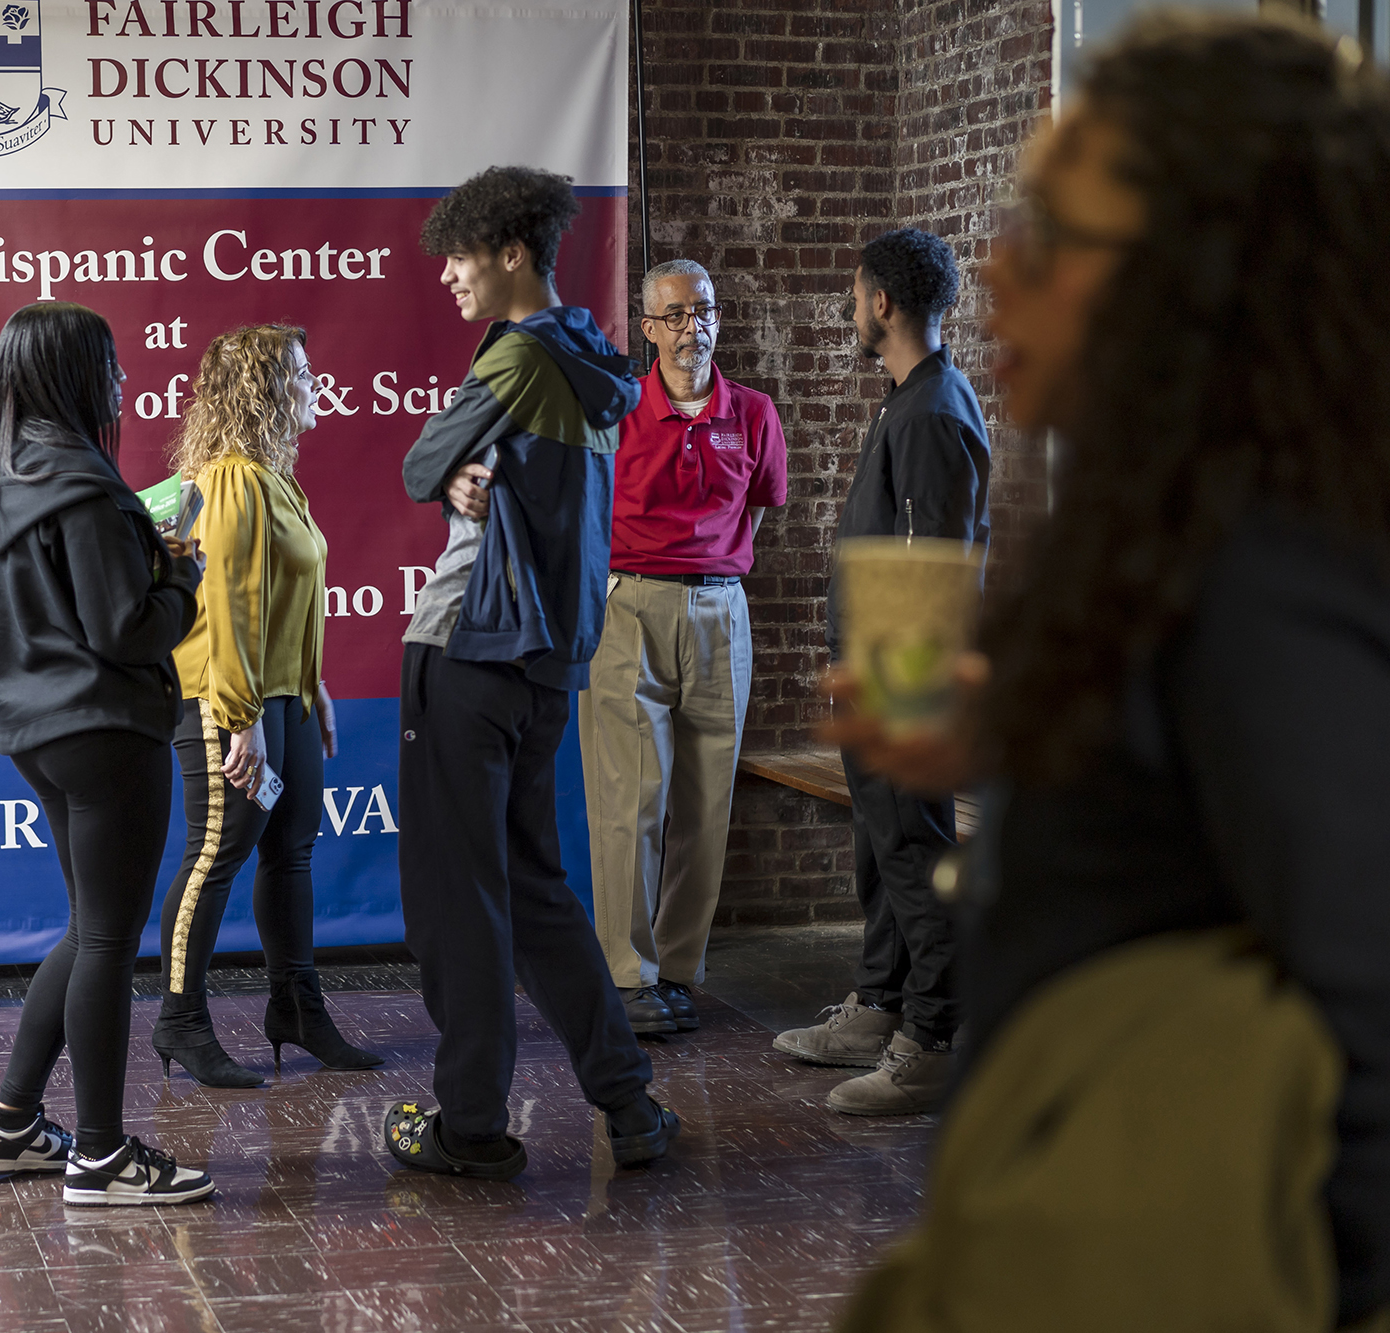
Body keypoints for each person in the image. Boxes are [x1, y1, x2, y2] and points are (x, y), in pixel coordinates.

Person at [832, 16, 1390, 1329]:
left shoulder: (1263, 574)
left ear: (1200, 279)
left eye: (1058, 239)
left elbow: (1367, 1015)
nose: (1003, 281)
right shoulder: (1190, 522)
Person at [382, 165, 679, 1181]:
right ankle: (627, 1100)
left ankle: (467, 1124)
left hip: (466, 649)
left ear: (511, 252)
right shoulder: (592, 358)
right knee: (535, 885)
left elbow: (421, 465)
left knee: (458, 900)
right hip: (547, 660)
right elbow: (493, 486)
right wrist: (475, 482)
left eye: (460, 257)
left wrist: (452, 477)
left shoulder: (515, 357)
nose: (447, 278)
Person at [0, 302, 216, 1206]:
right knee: (108, 936)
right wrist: (182, 573)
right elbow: (127, 628)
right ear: (71, 374)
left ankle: (13, 1125)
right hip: (108, 728)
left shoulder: (0, 477)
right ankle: (102, 1156)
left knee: (87, 927)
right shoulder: (83, 480)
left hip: (37, 731)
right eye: (108, 367)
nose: (120, 383)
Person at [772, 227, 991, 1116]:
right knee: (881, 845)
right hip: (881, 666)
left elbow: (935, 562)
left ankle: (933, 1041)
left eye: (856, 293)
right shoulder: (909, 396)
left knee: (911, 848)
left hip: (906, 670)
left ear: (884, 303)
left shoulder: (936, 409)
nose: (852, 307)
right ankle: (880, 1005)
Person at [151, 324, 382, 1086]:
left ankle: (298, 1009)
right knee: (219, 848)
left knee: (293, 847)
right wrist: (239, 715)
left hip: (279, 694)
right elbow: (224, 603)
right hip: (226, 700)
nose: (317, 384)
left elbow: (288, 599)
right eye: (303, 374)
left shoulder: (278, 480)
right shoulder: (228, 480)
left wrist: (312, 683)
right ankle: (180, 1019)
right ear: (265, 390)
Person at [581, 258, 788, 1036]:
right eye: (671, 315)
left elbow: (759, 509)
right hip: (629, 606)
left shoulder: (754, 412)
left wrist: (715, 575)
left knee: (706, 801)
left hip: (720, 609)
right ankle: (628, 977)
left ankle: (676, 968)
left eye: (700, 311)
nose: (688, 327)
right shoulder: (621, 408)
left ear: (717, 318)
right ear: (647, 327)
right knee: (630, 801)